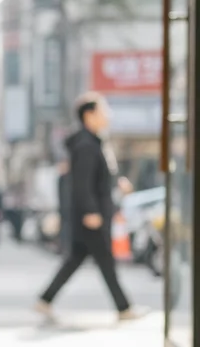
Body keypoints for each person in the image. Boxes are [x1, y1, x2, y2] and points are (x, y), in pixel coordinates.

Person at [37, 93, 146, 320]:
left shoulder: (94, 142)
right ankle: (124, 308)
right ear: (89, 115)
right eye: (103, 110)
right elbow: (82, 183)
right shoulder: (86, 145)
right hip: (91, 216)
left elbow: (98, 179)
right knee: (105, 262)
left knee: (76, 259)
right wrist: (90, 212)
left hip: (93, 214)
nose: (108, 115)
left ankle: (45, 299)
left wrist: (117, 184)